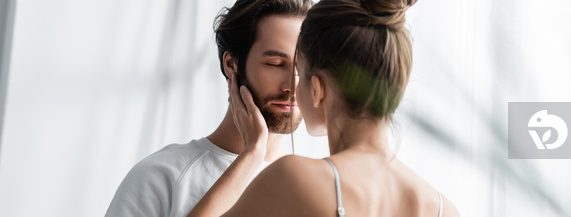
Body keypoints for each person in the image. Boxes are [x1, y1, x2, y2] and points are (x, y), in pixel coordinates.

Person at [192, 0, 461, 216]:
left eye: (301, 72)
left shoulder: (293, 178)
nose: (293, 87)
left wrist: (253, 151)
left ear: (318, 89)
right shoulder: (442, 208)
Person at [105, 0, 311, 216]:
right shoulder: (161, 176)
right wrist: (252, 153)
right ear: (232, 64)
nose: (293, 85)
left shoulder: (312, 189)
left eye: (305, 66)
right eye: (276, 64)